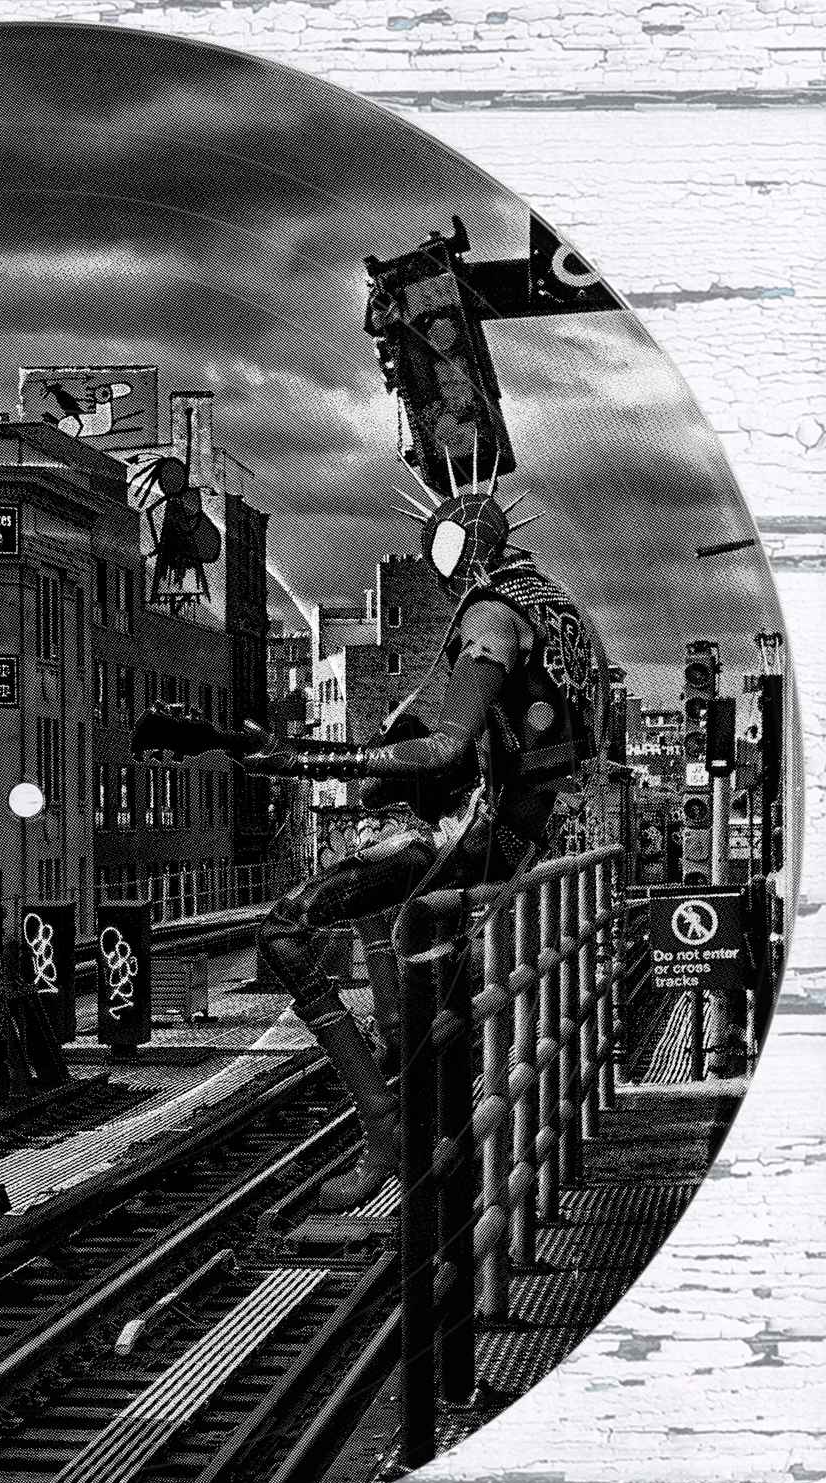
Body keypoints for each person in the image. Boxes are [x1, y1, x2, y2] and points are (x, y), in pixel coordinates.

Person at [132, 469, 611, 1210]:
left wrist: (305, 760)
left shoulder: (489, 615)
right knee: (385, 895)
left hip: (481, 837)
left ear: (453, 554)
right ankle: (403, 1065)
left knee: (287, 928)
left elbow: (449, 748)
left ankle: (381, 1125)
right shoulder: (556, 607)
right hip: (523, 834)